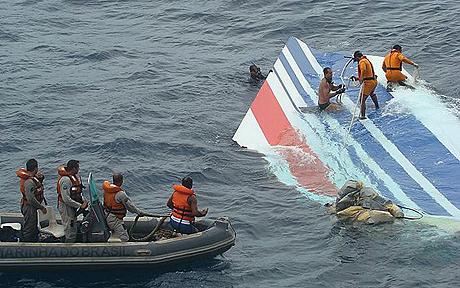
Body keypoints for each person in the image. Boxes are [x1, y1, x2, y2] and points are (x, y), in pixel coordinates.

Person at [102, 172, 147, 242]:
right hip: (115, 219)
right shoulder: (120, 194)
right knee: (125, 237)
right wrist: (139, 212)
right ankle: (121, 250)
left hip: (107, 216)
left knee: (121, 231)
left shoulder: (106, 191)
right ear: (121, 181)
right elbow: (130, 206)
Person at [16, 159, 47, 242]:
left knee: (33, 226)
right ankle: (26, 246)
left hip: (32, 207)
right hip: (29, 207)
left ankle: (34, 241)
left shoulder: (33, 178)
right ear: (35, 168)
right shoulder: (29, 182)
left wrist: (40, 179)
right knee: (29, 228)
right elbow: (31, 199)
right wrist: (41, 207)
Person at [57, 160, 88, 243]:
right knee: (69, 228)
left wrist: (83, 200)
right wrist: (80, 206)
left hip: (72, 206)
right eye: (78, 167)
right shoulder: (66, 180)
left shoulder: (74, 178)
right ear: (74, 168)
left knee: (73, 226)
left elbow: (78, 192)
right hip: (66, 207)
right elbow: (66, 199)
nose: (79, 169)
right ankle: (68, 246)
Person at [351, 51, 379, 119]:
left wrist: (360, 79)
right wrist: (357, 78)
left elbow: (363, 69)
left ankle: (362, 116)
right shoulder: (366, 60)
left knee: (362, 100)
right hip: (374, 81)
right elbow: (367, 75)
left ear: (357, 57)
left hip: (369, 83)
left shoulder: (362, 61)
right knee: (372, 94)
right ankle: (377, 106)